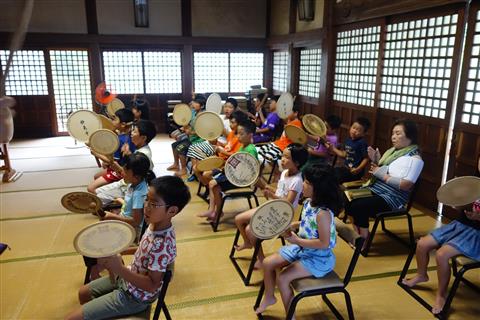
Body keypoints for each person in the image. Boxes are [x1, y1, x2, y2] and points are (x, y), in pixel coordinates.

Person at [65, 175, 191, 320]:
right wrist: (122, 251)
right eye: (146, 200)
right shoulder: (155, 224)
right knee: (83, 293)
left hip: (135, 297)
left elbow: (151, 286)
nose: (146, 207)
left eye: (153, 204)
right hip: (128, 278)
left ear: (172, 211)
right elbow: (144, 250)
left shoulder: (161, 244)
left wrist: (118, 268)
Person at [255, 164, 343, 315]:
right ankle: (269, 297)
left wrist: (297, 241)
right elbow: (308, 223)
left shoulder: (323, 214)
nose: (303, 184)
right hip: (304, 250)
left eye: (308, 182)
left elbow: (324, 243)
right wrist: (295, 225)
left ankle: (291, 317)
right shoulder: (309, 202)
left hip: (318, 258)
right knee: (267, 263)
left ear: (319, 188)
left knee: (283, 279)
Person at [401, 157, 480, 316]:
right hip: (460, 226)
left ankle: (441, 295)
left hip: (477, 234)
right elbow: (463, 208)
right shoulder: (473, 181)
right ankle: (421, 275)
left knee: (442, 254)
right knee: (422, 244)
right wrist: (457, 201)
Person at [345, 119, 424, 240]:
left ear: (410, 136)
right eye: (393, 133)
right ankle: (358, 235)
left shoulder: (415, 159)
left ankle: (363, 240)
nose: (393, 137)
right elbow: (384, 170)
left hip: (392, 197)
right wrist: (376, 160)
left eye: (398, 133)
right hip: (377, 189)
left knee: (358, 206)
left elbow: (405, 185)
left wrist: (382, 175)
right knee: (346, 197)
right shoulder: (392, 152)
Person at [234, 143, 308, 267]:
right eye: (283, 156)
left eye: (287, 157)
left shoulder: (297, 181)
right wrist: (266, 187)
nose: (282, 159)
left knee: (249, 230)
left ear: (297, 162)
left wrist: (272, 195)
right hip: (272, 208)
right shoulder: (284, 173)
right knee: (238, 219)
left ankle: (261, 259)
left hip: (282, 216)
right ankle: (248, 243)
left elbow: (287, 204)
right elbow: (279, 192)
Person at [198, 119, 258, 221]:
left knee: (213, 184)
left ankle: (217, 212)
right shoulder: (243, 147)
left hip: (241, 179)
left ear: (250, 135)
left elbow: (249, 170)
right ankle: (213, 209)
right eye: (238, 134)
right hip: (235, 174)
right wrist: (225, 166)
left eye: (241, 134)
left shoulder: (250, 150)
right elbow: (236, 163)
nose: (238, 136)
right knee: (209, 178)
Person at [95, 119, 156, 206]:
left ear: (143, 138)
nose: (131, 134)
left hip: (129, 185)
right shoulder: (140, 149)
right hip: (126, 182)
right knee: (95, 193)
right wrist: (128, 155)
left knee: (96, 199)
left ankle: (121, 206)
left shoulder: (143, 155)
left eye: (134, 132)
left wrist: (119, 162)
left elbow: (128, 175)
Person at [87, 108, 136, 193]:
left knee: (91, 188)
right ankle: (114, 189)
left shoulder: (119, 140)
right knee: (96, 176)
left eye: (114, 119)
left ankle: (111, 198)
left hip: (119, 171)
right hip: (124, 167)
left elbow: (111, 162)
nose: (111, 121)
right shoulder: (129, 135)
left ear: (123, 124)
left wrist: (96, 153)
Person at [167, 94, 206, 177]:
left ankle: (184, 169)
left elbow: (203, 131)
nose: (193, 104)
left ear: (202, 106)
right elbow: (188, 124)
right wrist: (184, 127)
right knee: (174, 145)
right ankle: (176, 164)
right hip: (191, 138)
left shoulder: (203, 116)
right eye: (194, 102)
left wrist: (191, 132)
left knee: (180, 148)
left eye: (196, 103)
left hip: (198, 141)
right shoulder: (193, 112)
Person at [327, 117, 371, 183]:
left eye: (358, 130)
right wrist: (333, 148)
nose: (354, 131)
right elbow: (344, 154)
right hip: (346, 169)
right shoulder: (347, 140)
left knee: (336, 177)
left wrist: (358, 169)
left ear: (363, 134)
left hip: (355, 172)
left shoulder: (362, 143)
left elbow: (366, 158)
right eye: (353, 128)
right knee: (330, 173)